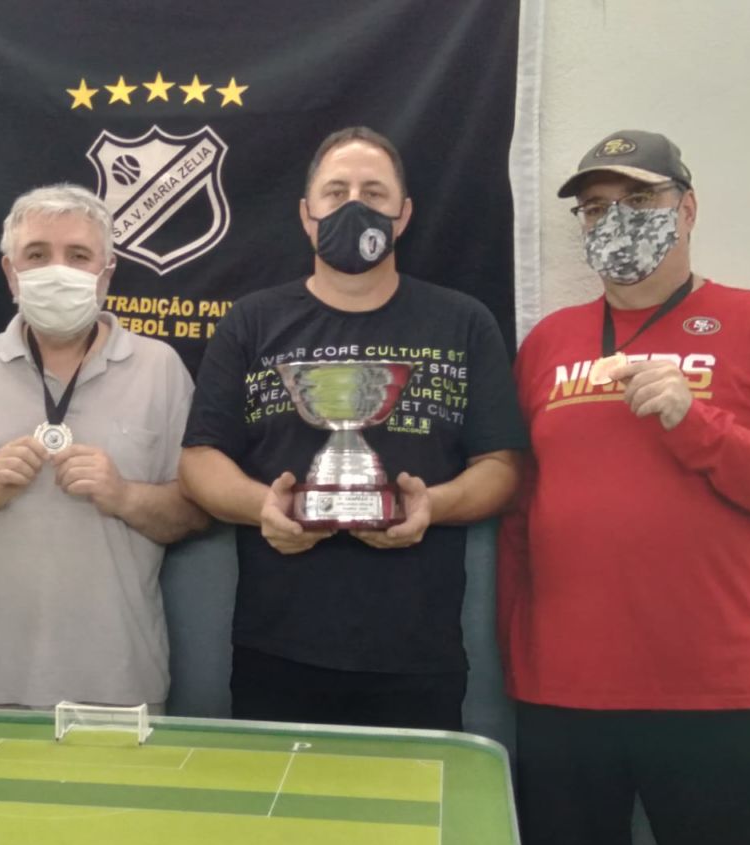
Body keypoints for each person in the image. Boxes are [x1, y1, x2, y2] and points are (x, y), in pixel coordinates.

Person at [496, 130, 750, 845]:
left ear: (687, 209)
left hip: (714, 696)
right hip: (563, 698)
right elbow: (520, 519)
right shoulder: (548, 343)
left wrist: (700, 424)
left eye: (640, 200)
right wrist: (522, 658)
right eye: (595, 207)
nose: (615, 219)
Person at [179, 126, 526, 730]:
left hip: (417, 649)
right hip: (277, 645)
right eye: (336, 193)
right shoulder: (252, 322)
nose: (354, 206)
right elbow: (199, 460)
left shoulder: (463, 322)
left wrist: (431, 506)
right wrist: (266, 508)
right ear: (307, 215)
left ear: (403, 214)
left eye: (373, 192)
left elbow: (502, 467)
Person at [0, 183, 207, 712]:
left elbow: (194, 514)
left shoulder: (160, 368)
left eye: (78, 255)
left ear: (107, 273)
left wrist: (123, 495)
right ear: (11, 273)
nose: (58, 270)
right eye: (36, 255)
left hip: (120, 687)